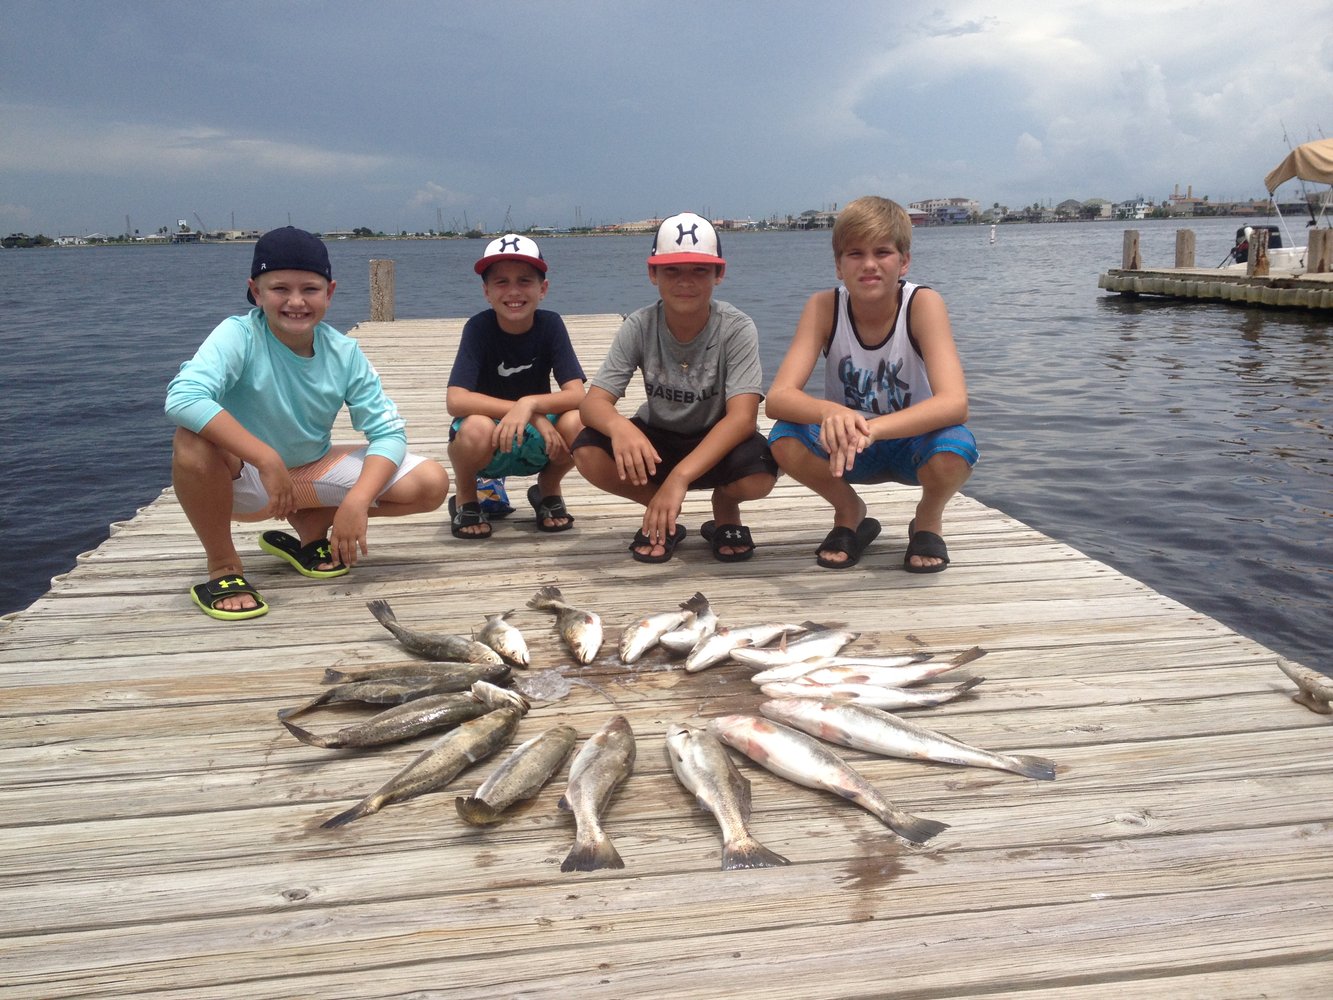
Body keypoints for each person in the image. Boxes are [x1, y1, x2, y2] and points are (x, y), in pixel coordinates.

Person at [165, 226, 449, 620]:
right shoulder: (238, 335)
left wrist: (358, 501)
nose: (296, 301)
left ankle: (314, 523)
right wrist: (265, 458)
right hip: (243, 482)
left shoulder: (344, 352)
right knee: (191, 440)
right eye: (280, 288)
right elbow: (183, 397)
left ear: (329, 292)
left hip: (306, 472)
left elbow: (388, 431)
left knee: (431, 484)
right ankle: (223, 566)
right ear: (256, 291)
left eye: (310, 289)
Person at [764, 196, 977, 573]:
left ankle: (927, 519)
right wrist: (833, 411)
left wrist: (873, 429)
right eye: (855, 254)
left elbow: (954, 403)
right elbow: (778, 398)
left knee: (956, 445)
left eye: (882, 252)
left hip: (911, 442)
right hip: (848, 449)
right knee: (784, 438)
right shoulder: (824, 307)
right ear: (838, 266)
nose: (869, 265)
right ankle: (850, 512)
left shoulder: (922, 304)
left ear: (904, 261)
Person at [573, 212, 777, 563]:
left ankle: (725, 507)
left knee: (760, 471)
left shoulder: (736, 327)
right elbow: (593, 404)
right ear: (653, 273)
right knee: (587, 450)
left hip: (716, 439)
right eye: (672, 270)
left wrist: (679, 479)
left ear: (719, 273)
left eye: (699, 270)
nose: (686, 282)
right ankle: (660, 510)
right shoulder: (639, 325)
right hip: (658, 438)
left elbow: (742, 419)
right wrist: (620, 427)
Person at [445, 234, 586, 538]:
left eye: (524, 281)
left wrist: (531, 406)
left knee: (580, 423)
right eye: (501, 282)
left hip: (537, 438)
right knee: (474, 429)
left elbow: (577, 394)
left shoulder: (551, 325)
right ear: (486, 291)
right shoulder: (478, 328)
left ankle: (548, 489)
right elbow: (455, 400)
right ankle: (467, 496)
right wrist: (527, 411)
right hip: (488, 436)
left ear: (543, 289)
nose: (513, 292)